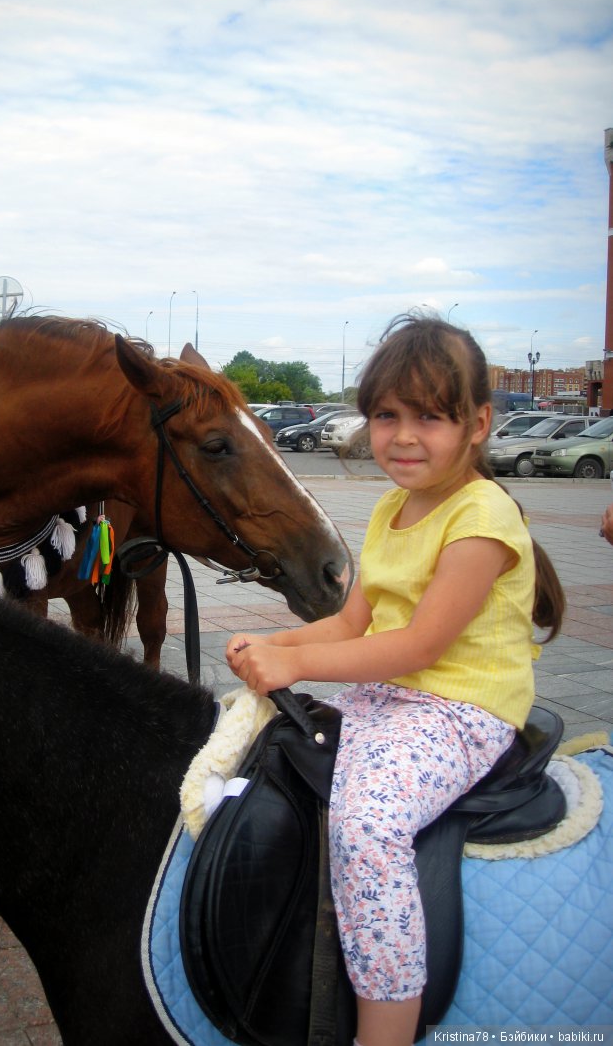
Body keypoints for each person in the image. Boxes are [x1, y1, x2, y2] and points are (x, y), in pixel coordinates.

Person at [226, 314, 565, 1046]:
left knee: (368, 823)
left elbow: (415, 643)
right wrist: (276, 641)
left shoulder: (481, 517)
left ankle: (385, 1022)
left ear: (477, 423)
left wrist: (296, 662)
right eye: (386, 414)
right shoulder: (391, 507)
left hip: (462, 709)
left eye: (430, 416)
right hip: (395, 695)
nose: (403, 436)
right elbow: (352, 625)